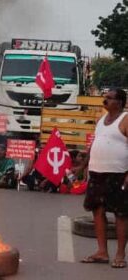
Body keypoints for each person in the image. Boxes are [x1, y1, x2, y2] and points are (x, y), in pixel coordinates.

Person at [82, 88, 128, 268]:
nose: (105, 101)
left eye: (109, 98)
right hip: (97, 172)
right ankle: (102, 252)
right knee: (98, 211)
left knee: (120, 214)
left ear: (120, 102)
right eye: (105, 97)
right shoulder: (101, 120)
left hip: (118, 173)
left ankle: (120, 255)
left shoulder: (125, 119)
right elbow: (95, 143)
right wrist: (83, 165)